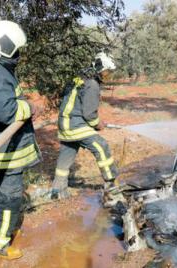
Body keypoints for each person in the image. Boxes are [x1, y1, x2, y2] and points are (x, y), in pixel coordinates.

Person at [0, 20, 41, 260]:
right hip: (5, 156)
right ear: (7, 47)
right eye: (17, 50)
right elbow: (5, 112)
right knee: (9, 199)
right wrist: (28, 106)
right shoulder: (0, 74)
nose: (19, 55)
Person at [51, 52, 124, 207]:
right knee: (101, 146)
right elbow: (89, 114)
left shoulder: (80, 78)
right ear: (99, 68)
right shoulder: (92, 84)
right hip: (75, 125)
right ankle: (111, 185)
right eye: (106, 72)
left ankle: (58, 190)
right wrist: (98, 124)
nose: (107, 76)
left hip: (64, 124)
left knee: (67, 154)